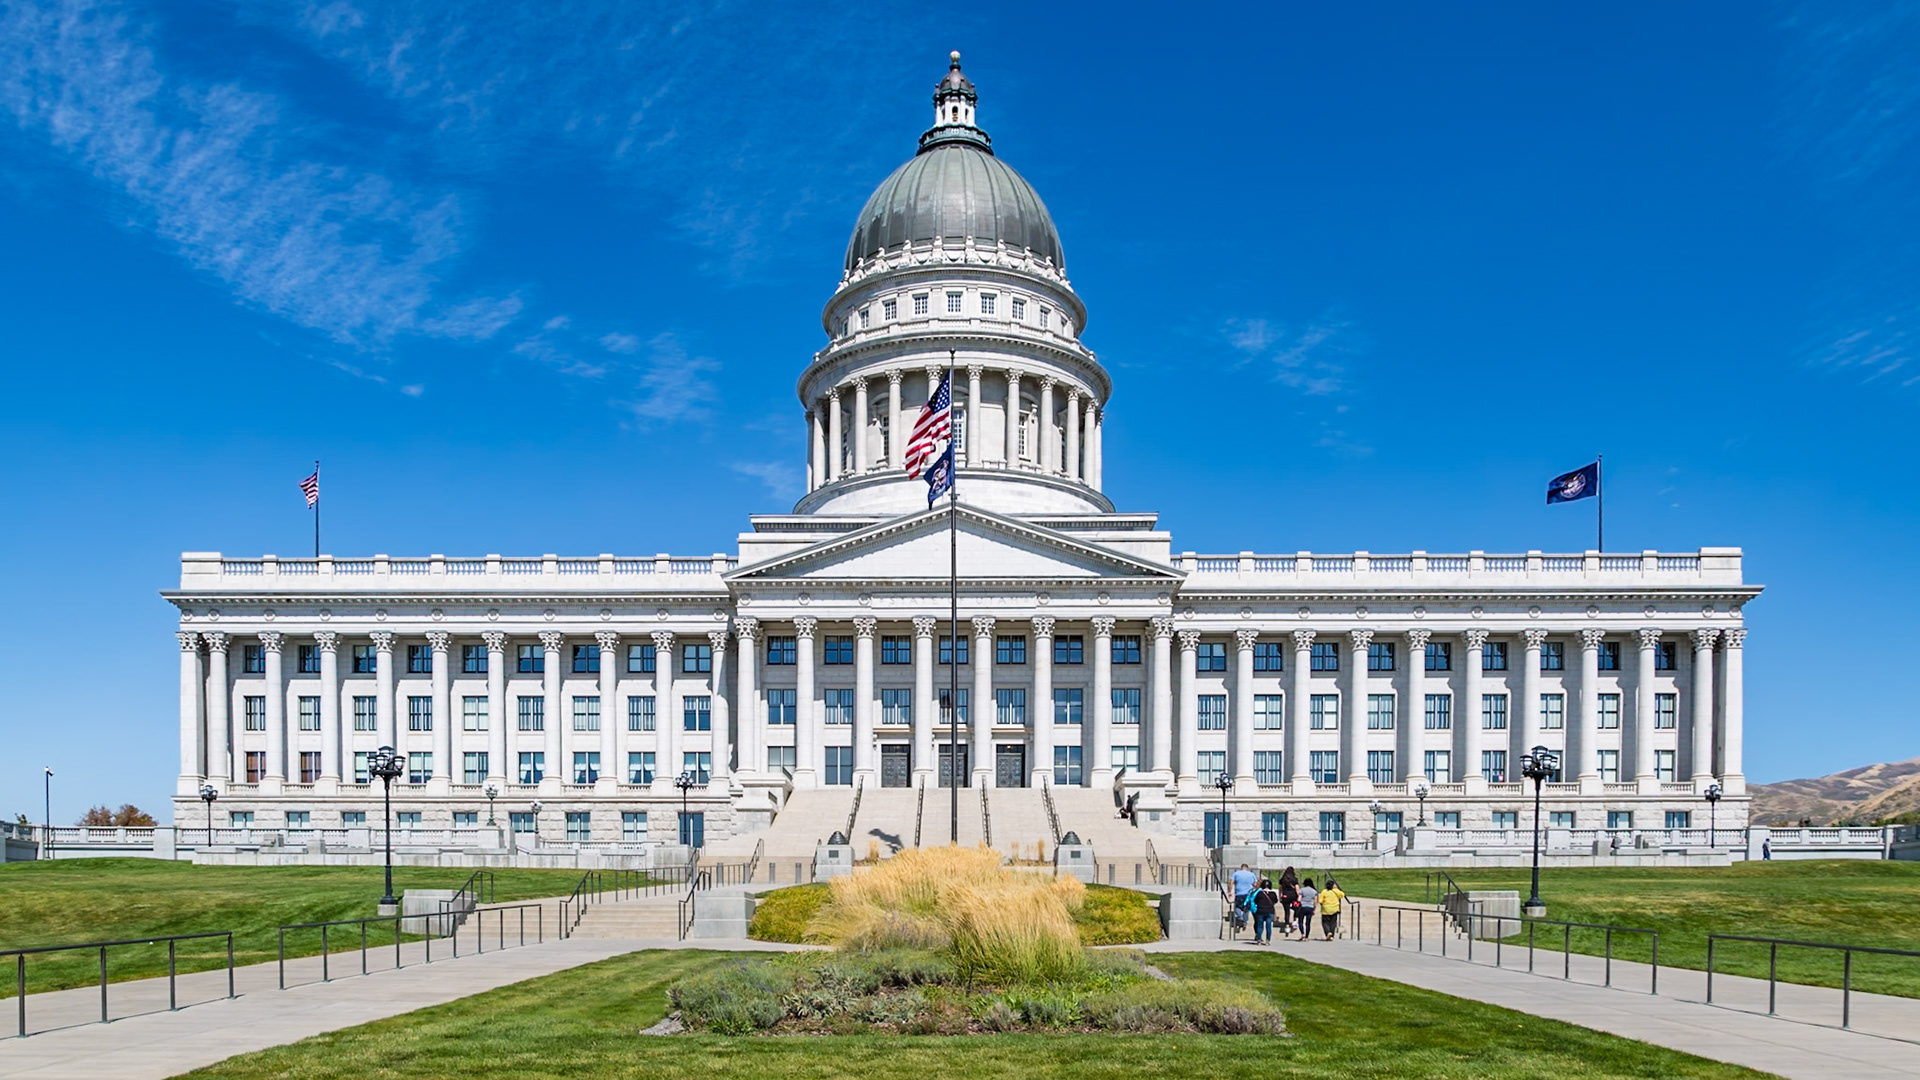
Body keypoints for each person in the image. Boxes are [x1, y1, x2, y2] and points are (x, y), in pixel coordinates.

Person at [1250, 878, 1281, 944]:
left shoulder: (1260, 893)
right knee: (1268, 926)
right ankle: (1268, 940)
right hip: (1270, 911)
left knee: (1260, 926)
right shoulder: (1273, 893)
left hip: (1260, 911)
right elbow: (1275, 901)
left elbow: (1255, 901)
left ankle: (1259, 940)